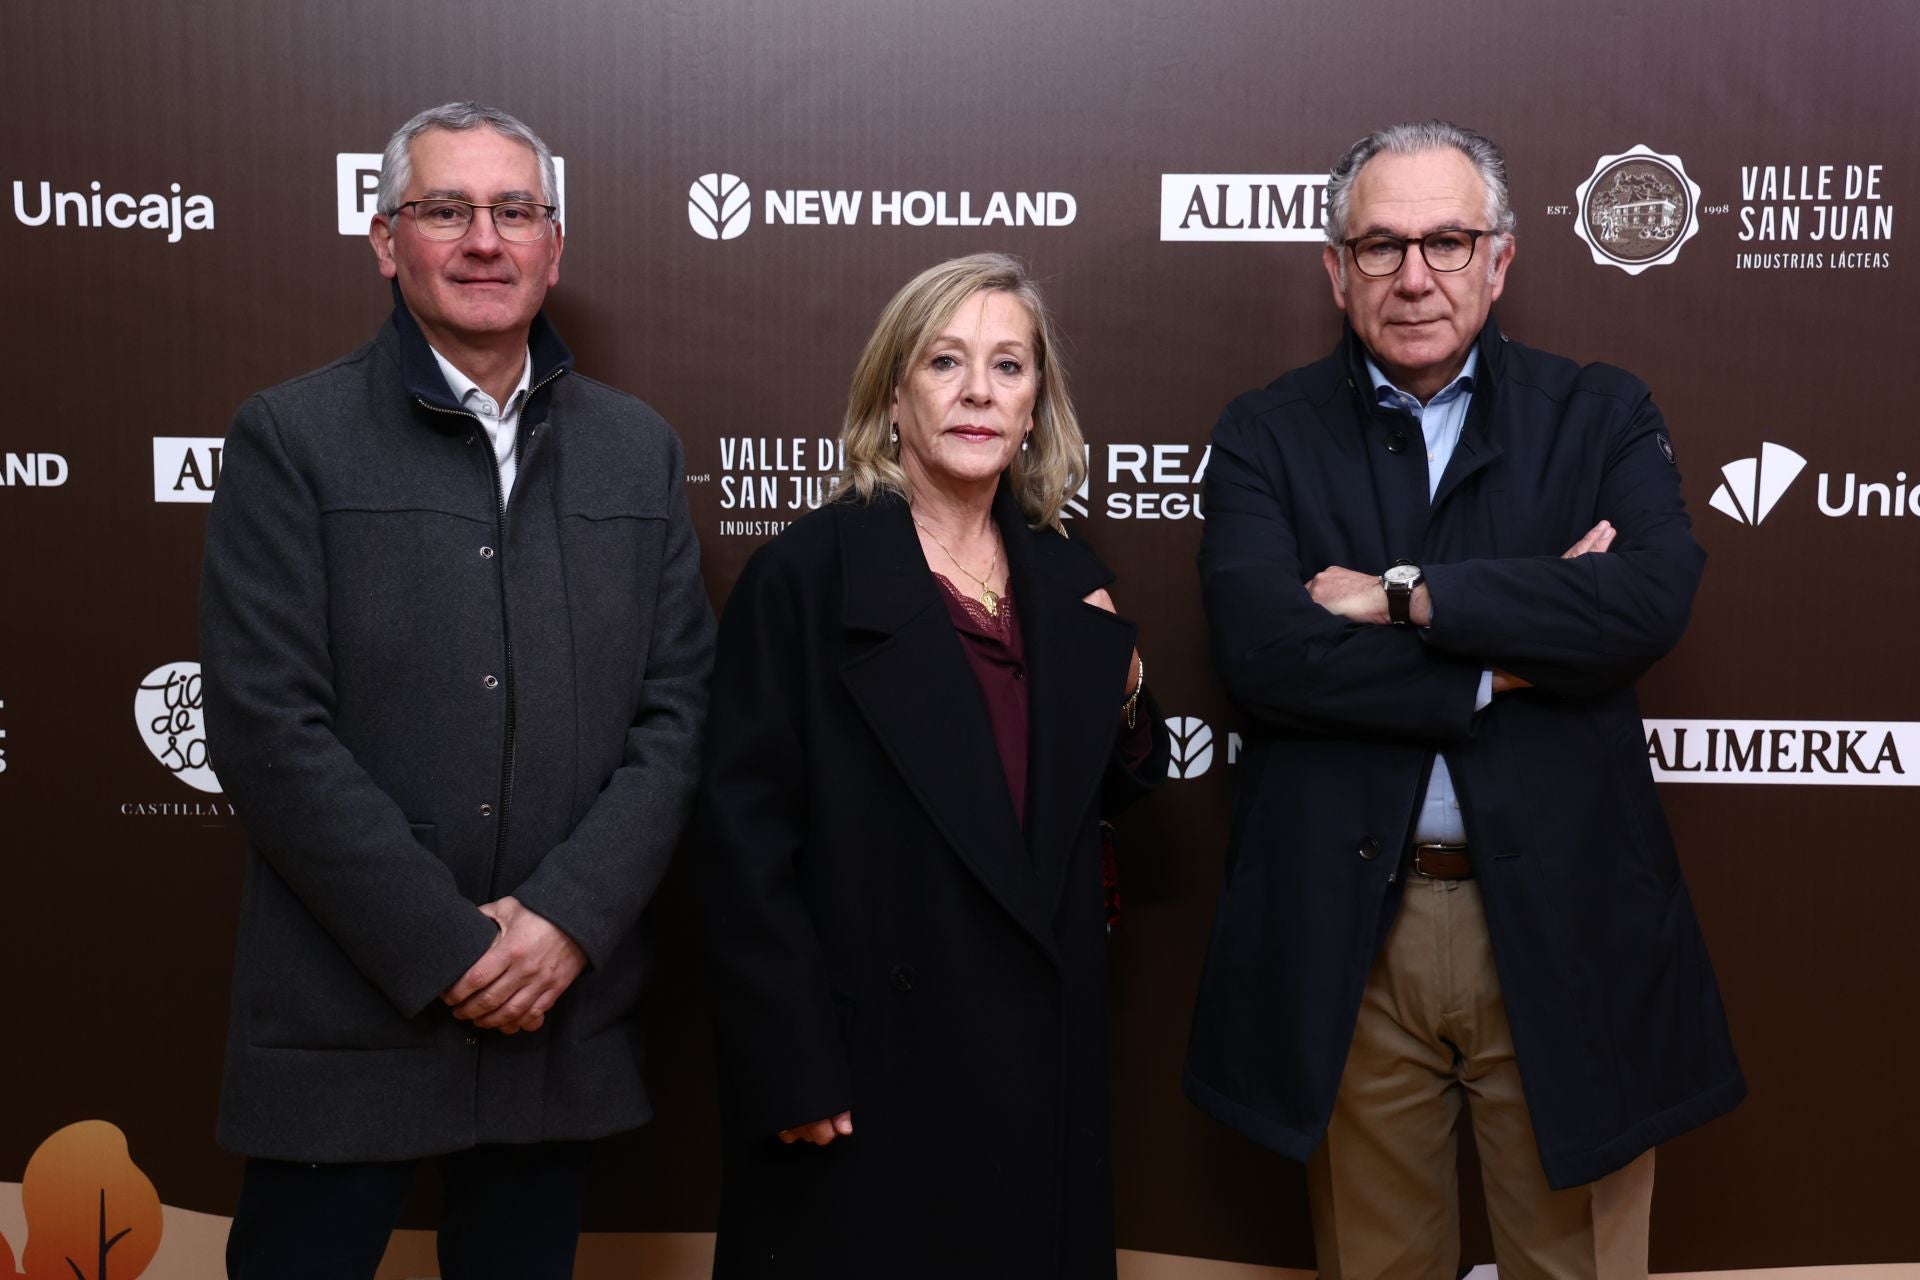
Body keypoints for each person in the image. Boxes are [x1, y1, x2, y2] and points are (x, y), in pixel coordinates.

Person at [1182, 122, 1745, 1279]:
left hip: (1566, 922)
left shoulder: (1601, 412)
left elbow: (1642, 604)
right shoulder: (1263, 436)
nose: (1415, 275)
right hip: (1355, 934)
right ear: (1335, 272)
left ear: (1502, 259)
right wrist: (1513, 651)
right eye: (1381, 246)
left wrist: (1405, 596)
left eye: (1448, 239)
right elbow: (1270, 654)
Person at [199, 102, 715, 1280]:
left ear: (554, 244)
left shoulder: (639, 449)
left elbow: (680, 709)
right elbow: (268, 727)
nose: (485, 239)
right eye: (446, 210)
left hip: (556, 1013)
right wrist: (450, 948)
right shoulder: (292, 437)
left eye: (515, 210)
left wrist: (567, 919)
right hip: (349, 1015)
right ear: (387, 240)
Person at [698, 252, 1167, 1279]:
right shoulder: (806, 577)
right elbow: (741, 845)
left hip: (1038, 1059)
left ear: (1037, 401)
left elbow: (1100, 792)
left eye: (1008, 365)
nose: (977, 392)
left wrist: (1124, 687)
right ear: (892, 394)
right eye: (946, 362)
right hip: (873, 1063)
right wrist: (790, 1060)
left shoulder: (1062, 564)